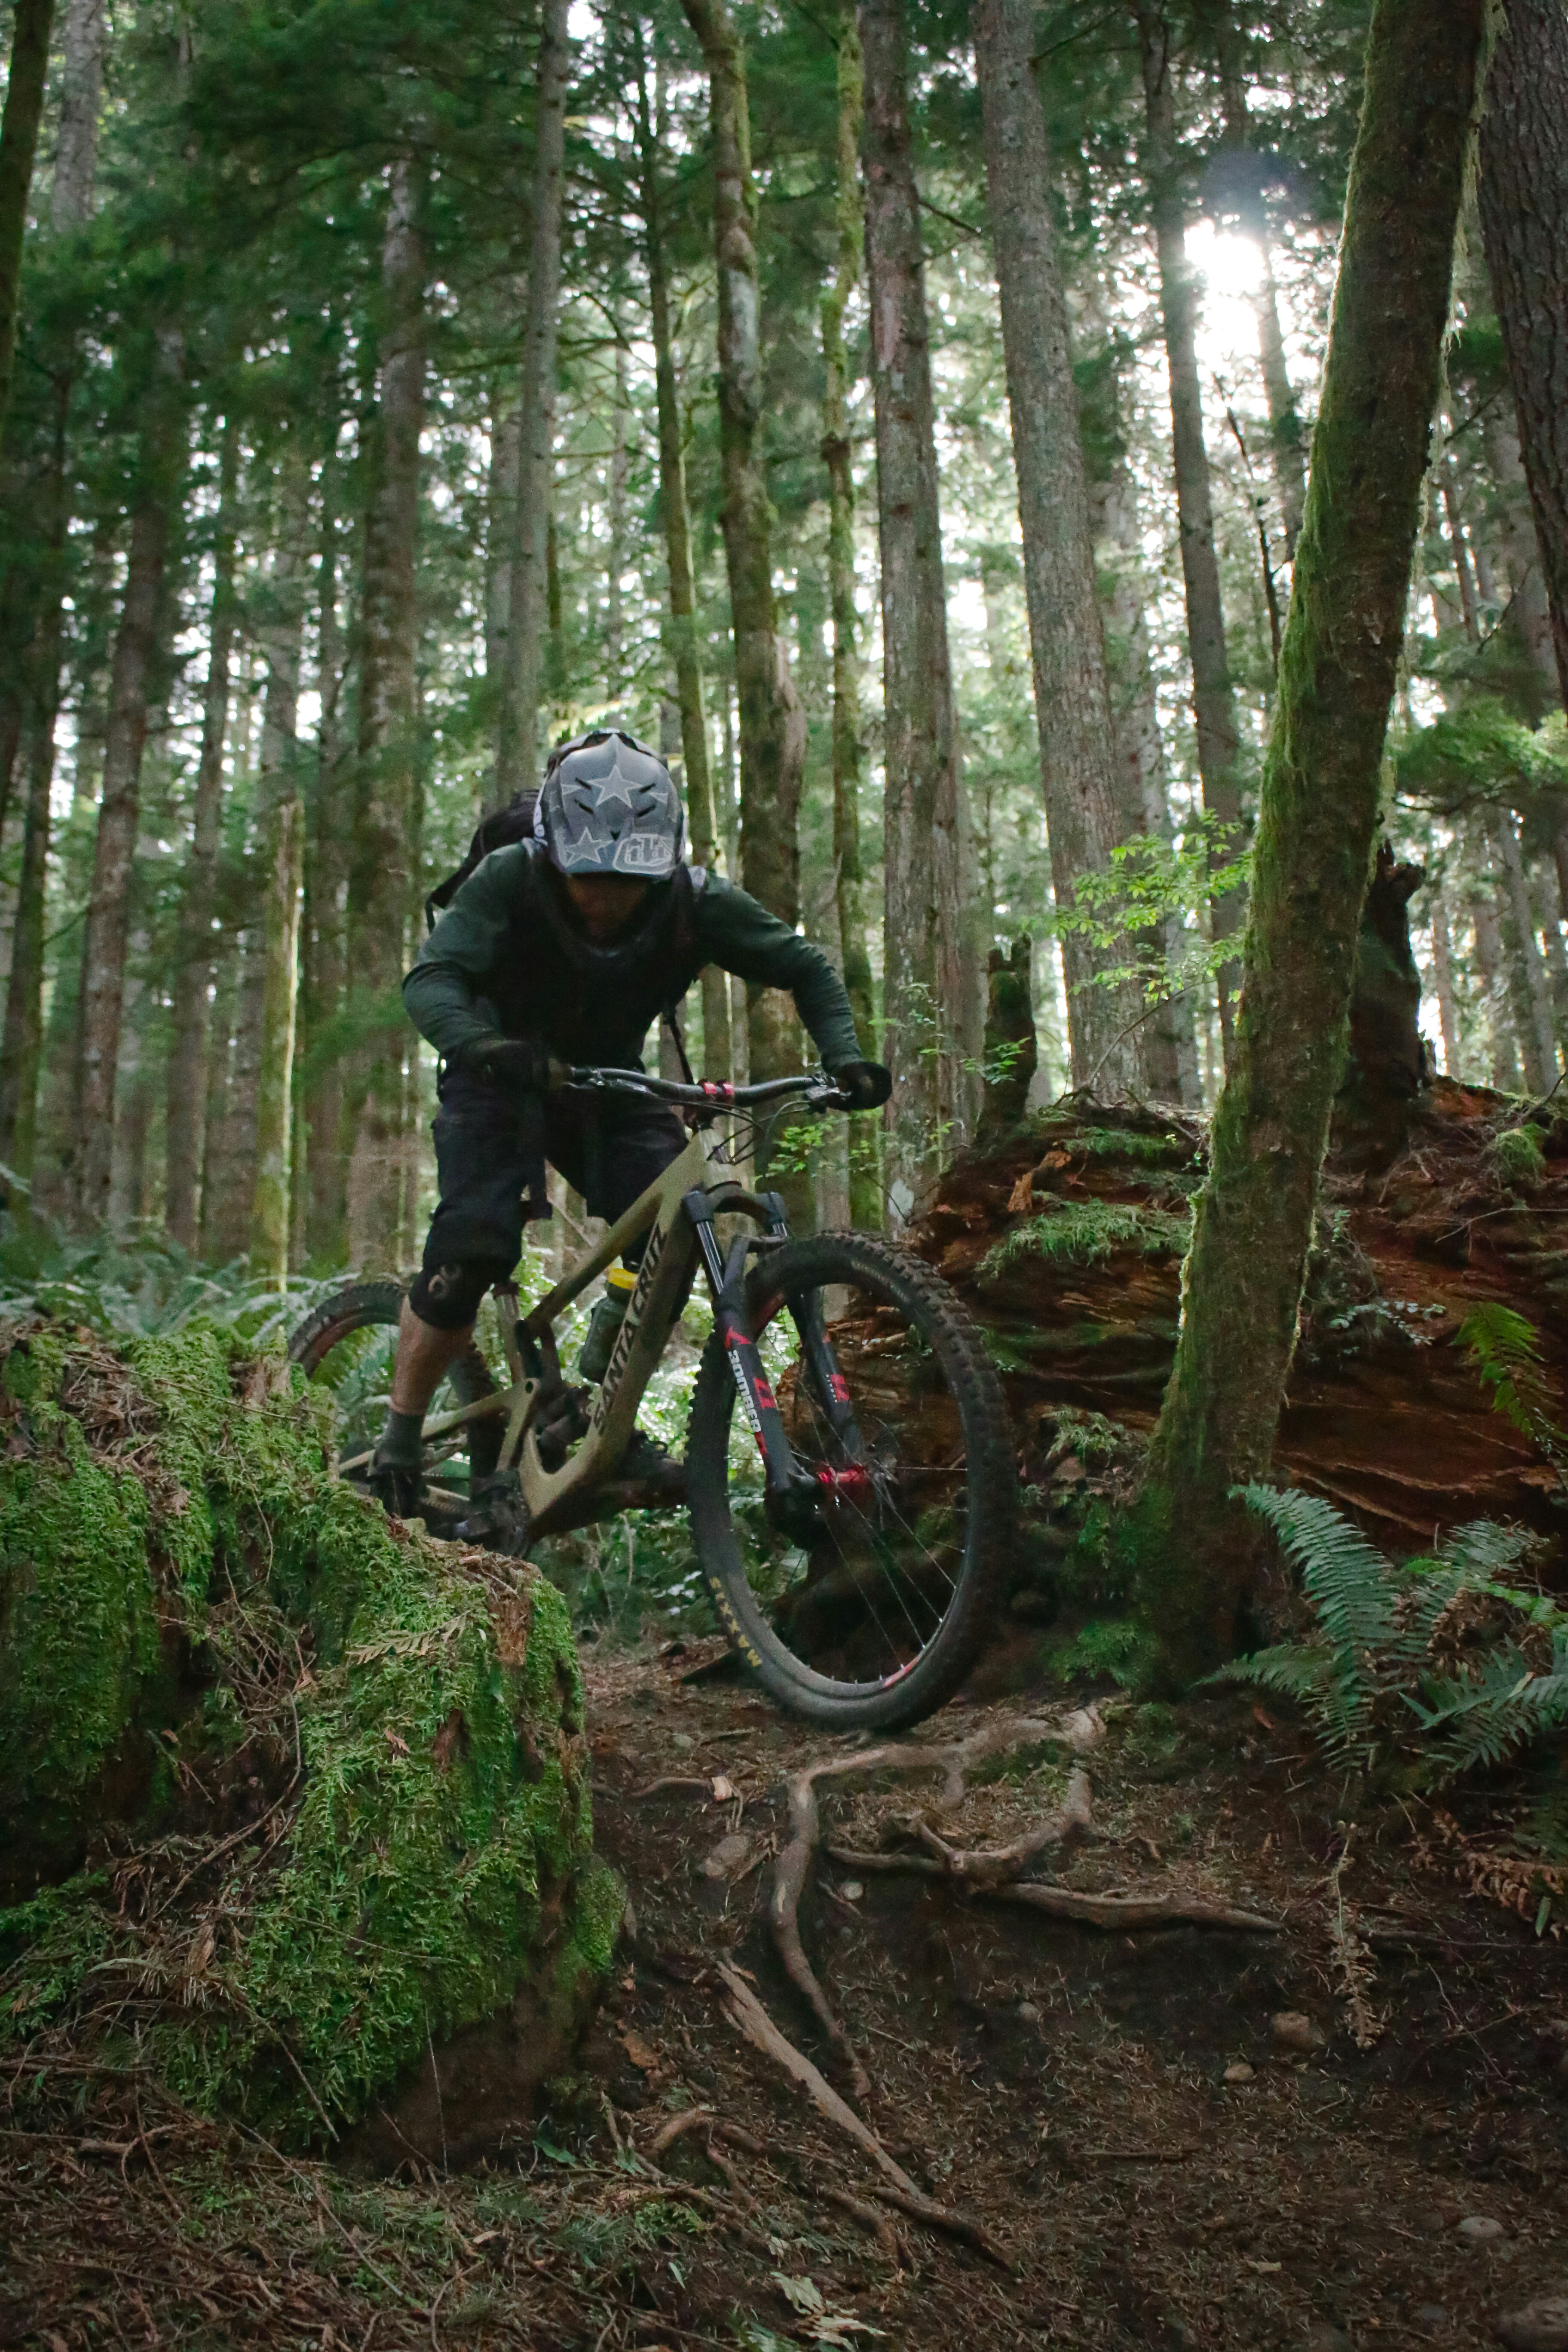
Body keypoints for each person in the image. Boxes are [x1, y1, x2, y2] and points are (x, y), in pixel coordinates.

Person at [370, 726, 891, 1516]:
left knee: (676, 1226)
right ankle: (399, 1440)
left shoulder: (695, 900)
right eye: (589, 879)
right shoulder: (510, 879)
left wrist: (843, 1056)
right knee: (471, 1250)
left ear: (663, 866)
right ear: (554, 857)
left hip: (609, 1083)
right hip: (497, 1075)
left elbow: (804, 966)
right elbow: (432, 978)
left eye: (629, 883)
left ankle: (595, 1406)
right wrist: (484, 1045)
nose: (608, 900)